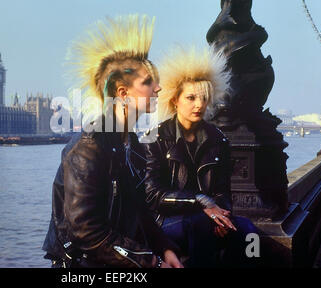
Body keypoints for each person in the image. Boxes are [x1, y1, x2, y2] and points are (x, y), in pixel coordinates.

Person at [42, 15, 182, 268]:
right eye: (148, 82)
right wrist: (150, 262)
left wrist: (165, 249)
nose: (159, 88)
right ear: (123, 93)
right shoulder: (89, 147)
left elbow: (140, 212)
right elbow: (86, 232)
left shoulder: (134, 146)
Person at [141, 46, 257, 268]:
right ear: (175, 100)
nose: (199, 104)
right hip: (166, 221)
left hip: (209, 216)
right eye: (191, 97)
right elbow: (152, 194)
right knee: (200, 225)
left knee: (250, 233)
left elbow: (223, 191)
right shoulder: (155, 138)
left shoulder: (218, 139)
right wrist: (201, 202)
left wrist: (222, 216)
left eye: (204, 98)